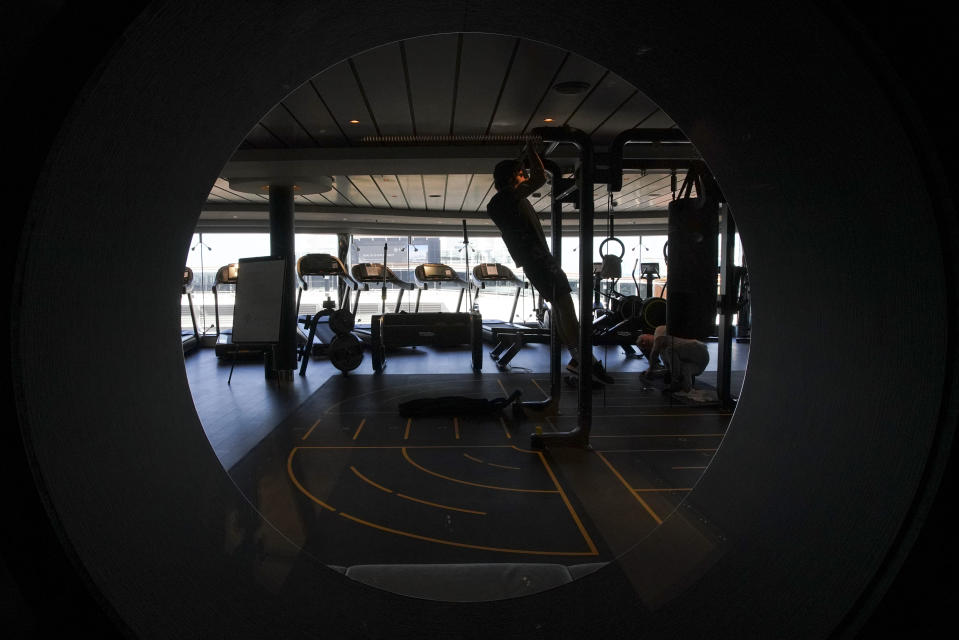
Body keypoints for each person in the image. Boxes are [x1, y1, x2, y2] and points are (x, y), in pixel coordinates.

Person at [487, 143, 614, 384]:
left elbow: (533, 179)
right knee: (565, 306)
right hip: (538, 261)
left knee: (562, 307)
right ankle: (583, 359)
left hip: (539, 260)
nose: (524, 176)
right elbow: (538, 179)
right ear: (514, 176)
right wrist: (531, 152)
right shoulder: (503, 199)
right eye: (520, 173)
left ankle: (579, 358)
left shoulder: (510, 199)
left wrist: (528, 157)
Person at [637, 325, 709, 392]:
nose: (643, 343)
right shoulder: (663, 354)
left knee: (670, 351)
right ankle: (684, 387)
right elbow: (670, 369)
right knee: (679, 369)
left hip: (699, 351)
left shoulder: (659, 331)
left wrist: (650, 369)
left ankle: (676, 383)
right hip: (696, 364)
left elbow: (654, 353)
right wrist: (655, 373)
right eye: (643, 346)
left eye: (642, 340)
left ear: (649, 335)